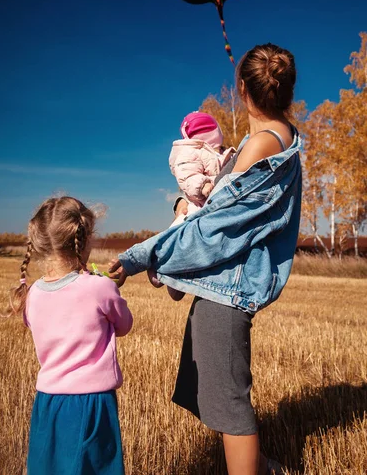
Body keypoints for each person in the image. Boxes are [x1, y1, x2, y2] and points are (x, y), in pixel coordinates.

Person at [110, 43, 302, 475]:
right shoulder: (282, 139)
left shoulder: (260, 146)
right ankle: (262, 465)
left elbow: (211, 230)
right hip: (224, 288)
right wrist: (187, 201)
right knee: (218, 393)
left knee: (230, 405)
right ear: (286, 90)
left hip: (226, 297)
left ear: (241, 90)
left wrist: (143, 256)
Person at [7, 196, 133, 475]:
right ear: (85, 239)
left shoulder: (33, 293)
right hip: (91, 402)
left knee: (48, 468)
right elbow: (124, 325)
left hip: (48, 402)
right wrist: (112, 287)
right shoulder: (99, 288)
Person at [167, 111, 235, 301]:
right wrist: (202, 185)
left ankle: (179, 276)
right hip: (198, 203)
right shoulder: (190, 152)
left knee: (197, 245)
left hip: (211, 206)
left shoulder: (215, 153)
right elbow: (187, 175)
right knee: (180, 234)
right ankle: (165, 268)